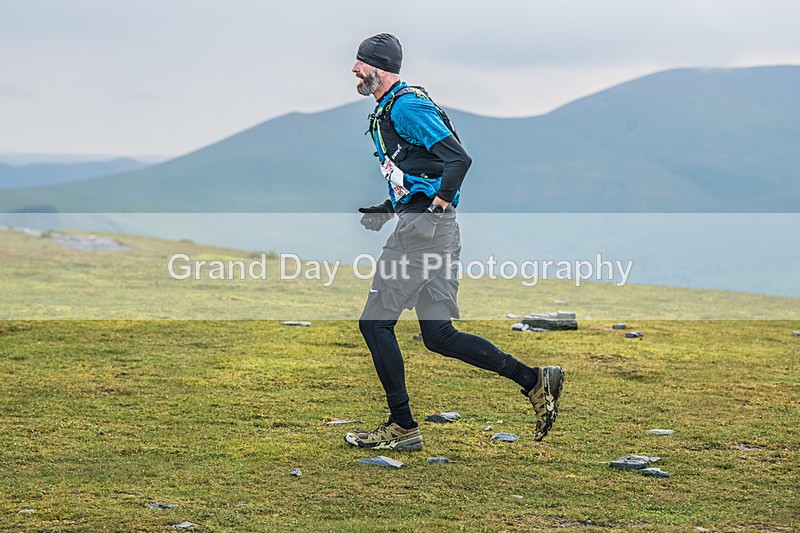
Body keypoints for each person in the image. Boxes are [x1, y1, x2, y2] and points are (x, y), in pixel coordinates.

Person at [345, 33, 563, 451]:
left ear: (381, 68)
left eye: (361, 62)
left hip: (424, 232)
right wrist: (388, 209)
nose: (354, 69)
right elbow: (423, 170)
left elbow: (458, 159)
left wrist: (435, 208)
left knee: (374, 324)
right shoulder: (389, 107)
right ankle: (534, 380)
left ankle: (403, 426)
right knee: (438, 335)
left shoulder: (406, 106)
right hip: (434, 230)